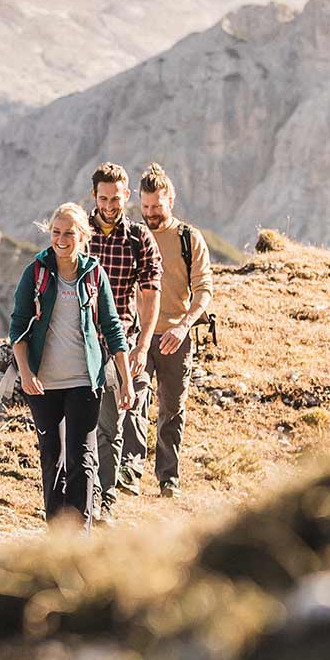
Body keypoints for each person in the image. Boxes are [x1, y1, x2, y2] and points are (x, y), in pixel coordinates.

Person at [8, 202, 134, 524]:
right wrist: (25, 373)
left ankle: (80, 537)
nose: (61, 240)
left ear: (83, 236)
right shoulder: (35, 272)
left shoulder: (94, 274)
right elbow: (18, 327)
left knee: (83, 459)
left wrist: (126, 381)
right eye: (56, 232)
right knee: (53, 459)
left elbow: (112, 326)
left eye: (69, 233)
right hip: (43, 384)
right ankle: (57, 539)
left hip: (84, 381)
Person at [85, 162, 162, 513]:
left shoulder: (138, 239)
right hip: (77, 341)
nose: (110, 205)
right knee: (74, 423)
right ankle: (76, 497)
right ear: (93, 196)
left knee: (109, 425)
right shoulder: (79, 232)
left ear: (127, 196)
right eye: (103, 198)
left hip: (119, 342)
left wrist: (142, 346)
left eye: (116, 199)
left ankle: (104, 501)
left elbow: (150, 293)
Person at [138, 163, 213, 498]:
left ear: (171, 200)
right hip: (137, 335)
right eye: (145, 207)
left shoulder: (188, 239)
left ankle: (168, 478)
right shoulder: (134, 237)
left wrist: (183, 328)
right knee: (133, 400)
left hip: (175, 337)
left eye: (157, 206)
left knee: (172, 410)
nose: (151, 214)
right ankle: (128, 471)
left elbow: (204, 289)